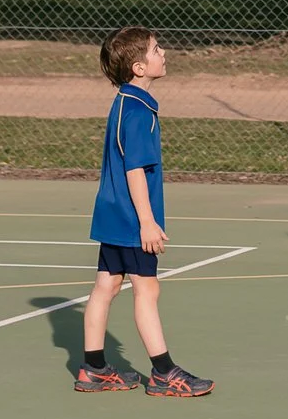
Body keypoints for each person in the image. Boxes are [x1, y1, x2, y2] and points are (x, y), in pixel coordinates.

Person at [76, 25, 215, 396]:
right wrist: (147, 222)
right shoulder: (137, 111)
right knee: (147, 290)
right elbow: (134, 170)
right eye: (156, 49)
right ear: (139, 68)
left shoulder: (126, 102)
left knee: (106, 285)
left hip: (113, 213)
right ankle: (164, 372)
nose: (163, 52)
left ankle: (93, 368)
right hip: (131, 218)